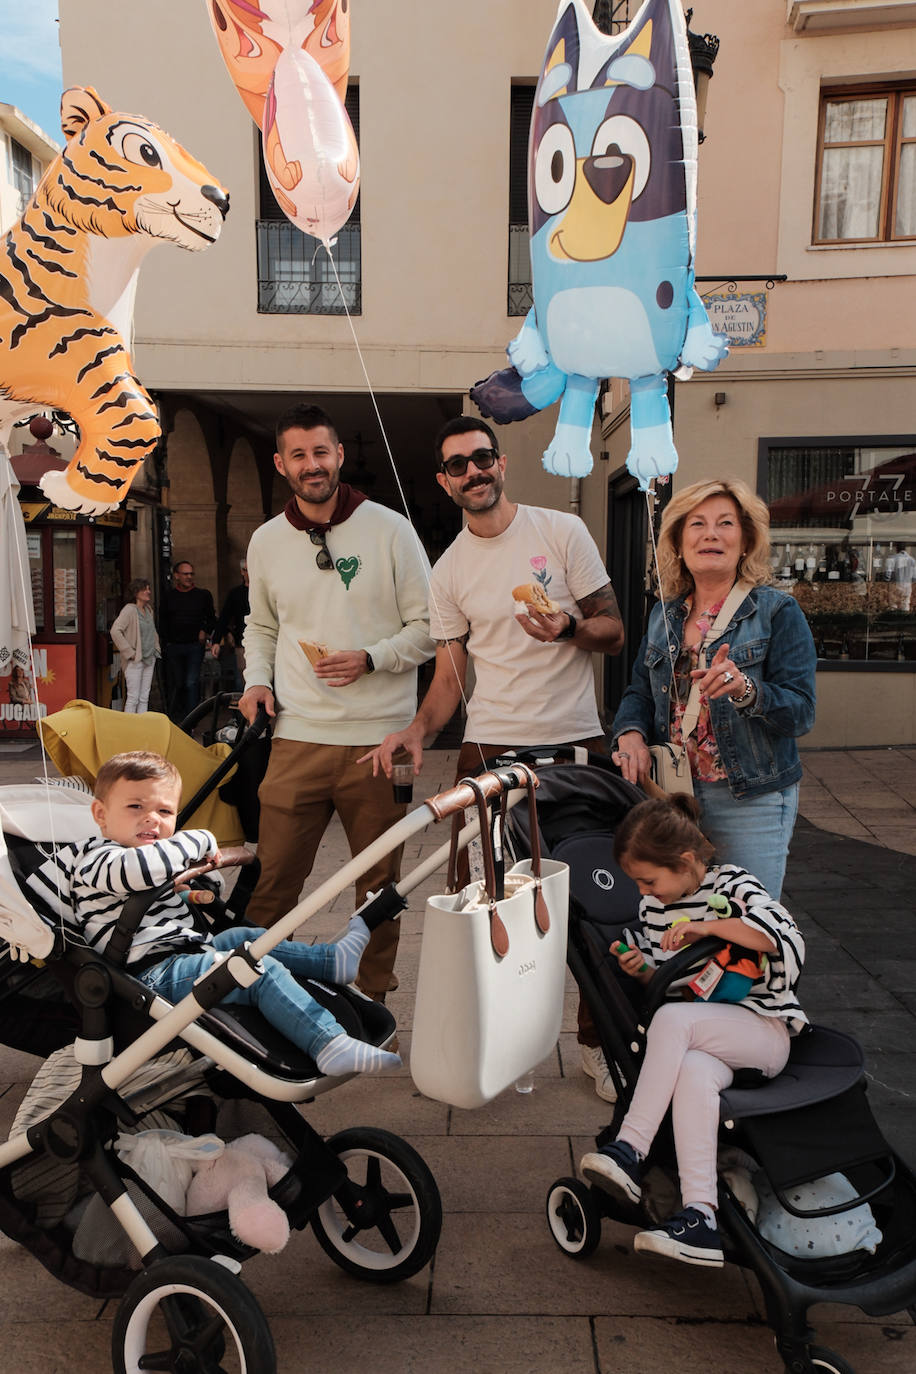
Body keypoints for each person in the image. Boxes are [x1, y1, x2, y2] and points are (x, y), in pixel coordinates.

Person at [363, 415, 626, 1100]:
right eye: (458, 465)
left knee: (599, 908)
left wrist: (568, 627)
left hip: (575, 747)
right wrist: (419, 731)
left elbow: (614, 629)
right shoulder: (448, 570)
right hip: (488, 754)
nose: (473, 472)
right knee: (492, 912)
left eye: (482, 458)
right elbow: (451, 678)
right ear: (446, 482)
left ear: (501, 464)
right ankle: (506, 1042)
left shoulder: (560, 533)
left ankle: (598, 1046)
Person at [37, 751, 400, 1078]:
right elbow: (142, 870)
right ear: (100, 814)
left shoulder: (155, 854)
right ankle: (327, 1043)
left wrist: (201, 873)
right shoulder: (98, 860)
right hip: (148, 975)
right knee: (251, 969)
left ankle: (329, 962)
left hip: (184, 954)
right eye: (135, 807)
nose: (152, 820)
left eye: (164, 812)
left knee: (244, 938)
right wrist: (201, 840)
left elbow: (198, 883)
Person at [239, 403, 433, 1002]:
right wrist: (256, 680)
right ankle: (253, 998)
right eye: (298, 454)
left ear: (339, 455)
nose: (311, 464)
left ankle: (370, 999)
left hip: (382, 740)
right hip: (296, 736)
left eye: (321, 451)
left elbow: (430, 628)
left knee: (380, 886)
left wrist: (371, 657)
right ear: (281, 464)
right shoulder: (267, 541)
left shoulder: (391, 529)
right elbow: (262, 627)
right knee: (271, 881)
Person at [580, 795, 807, 1267]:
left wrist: (708, 927)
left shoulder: (733, 883)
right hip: (707, 1039)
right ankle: (700, 1216)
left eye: (649, 880)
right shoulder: (652, 911)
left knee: (671, 1022)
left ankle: (630, 1149)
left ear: (685, 861)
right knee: (692, 1073)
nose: (644, 892)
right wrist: (642, 969)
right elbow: (670, 983)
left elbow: (782, 934)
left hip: (763, 1031)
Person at [611, 478, 816, 900]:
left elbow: (801, 712)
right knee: (678, 917)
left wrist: (746, 690)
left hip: (748, 799)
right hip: (671, 795)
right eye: (697, 524)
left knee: (746, 918)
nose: (711, 534)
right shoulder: (663, 616)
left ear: (745, 542)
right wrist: (629, 733)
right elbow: (639, 693)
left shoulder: (778, 611)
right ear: (679, 543)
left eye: (725, 523)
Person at [160, 560, 216, 722]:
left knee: (191, 682)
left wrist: (204, 630)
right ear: (176, 575)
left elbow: (212, 619)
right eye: (185, 574)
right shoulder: (169, 597)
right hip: (174, 646)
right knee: (177, 683)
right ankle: (176, 718)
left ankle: (191, 719)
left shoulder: (203, 595)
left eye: (191, 574)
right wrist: (166, 643)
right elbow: (162, 621)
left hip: (194, 646)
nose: (189, 577)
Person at [110, 578, 161, 713]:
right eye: (145, 589)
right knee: (133, 697)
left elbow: (152, 631)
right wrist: (129, 652)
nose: (148, 592)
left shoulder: (149, 610)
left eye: (149, 589)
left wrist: (156, 648)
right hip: (135, 659)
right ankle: (129, 728)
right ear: (136, 592)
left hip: (149, 657)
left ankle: (141, 726)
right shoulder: (129, 610)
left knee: (144, 697)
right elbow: (115, 631)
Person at [210, 558, 250, 693]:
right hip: (242, 643)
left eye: (250, 570)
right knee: (243, 681)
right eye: (245, 570)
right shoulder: (236, 594)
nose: (248, 573)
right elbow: (224, 617)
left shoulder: (265, 590)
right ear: (241, 572)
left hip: (267, 640)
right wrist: (216, 640)